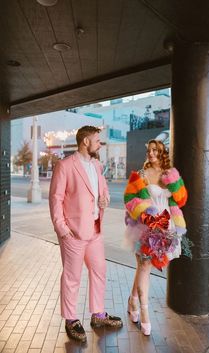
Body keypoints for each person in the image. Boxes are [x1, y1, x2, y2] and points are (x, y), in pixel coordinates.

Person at [49, 125, 123, 342]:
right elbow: (56, 199)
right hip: (73, 233)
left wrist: (105, 200)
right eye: (97, 140)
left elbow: (104, 191)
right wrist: (62, 230)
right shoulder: (65, 166)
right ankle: (71, 320)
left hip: (95, 230)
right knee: (72, 277)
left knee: (99, 270)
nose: (99, 143)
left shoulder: (98, 165)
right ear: (85, 142)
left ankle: (98, 314)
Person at [124, 140, 188, 336]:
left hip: (166, 226)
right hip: (145, 226)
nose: (151, 153)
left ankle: (132, 300)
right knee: (144, 267)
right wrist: (145, 215)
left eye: (155, 150)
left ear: (162, 153)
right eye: (149, 150)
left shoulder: (170, 174)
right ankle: (144, 312)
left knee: (144, 268)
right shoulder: (140, 175)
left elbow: (182, 199)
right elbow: (129, 200)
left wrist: (174, 182)